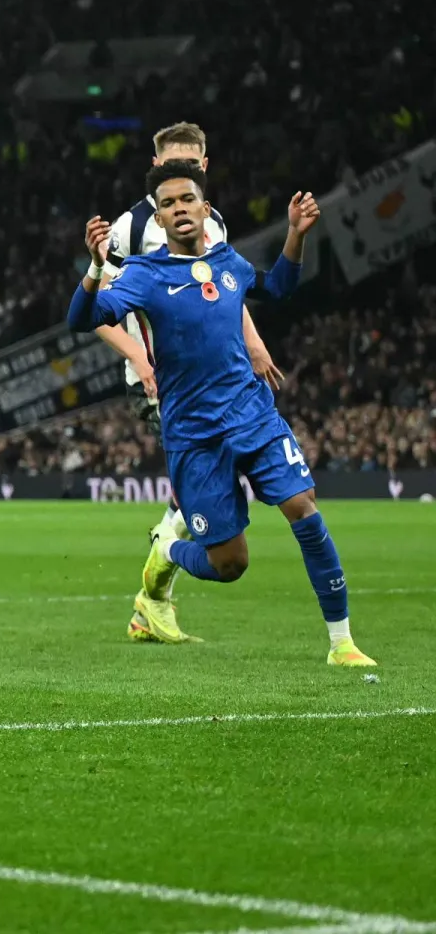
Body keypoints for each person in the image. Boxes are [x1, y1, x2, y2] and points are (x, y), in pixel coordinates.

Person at [68, 160, 376, 667]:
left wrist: (296, 235)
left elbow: (277, 288)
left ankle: (341, 643)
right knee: (231, 564)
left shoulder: (229, 262)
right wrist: (97, 267)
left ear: (204, 209)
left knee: (304, 507)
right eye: (167, 205)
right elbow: (82, 320)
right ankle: (169, 551)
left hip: (252, 416)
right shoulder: (142, 276)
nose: (178, 209)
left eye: (187, 199)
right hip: (194, 437)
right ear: (160, 221)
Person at [86, 122, 284, 643]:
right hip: (161, 380)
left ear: (204, 168)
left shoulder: (210, 219)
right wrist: (142, 362)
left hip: (220, 376)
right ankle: (155, 589)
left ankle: (152, 598)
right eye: (173, 166)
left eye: (193, 167)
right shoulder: (130, 229)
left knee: (207, 487)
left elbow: (222, 285)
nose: (184, 177)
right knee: (197, 484)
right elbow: (97, 311)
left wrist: (255, 344)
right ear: (155, 170)